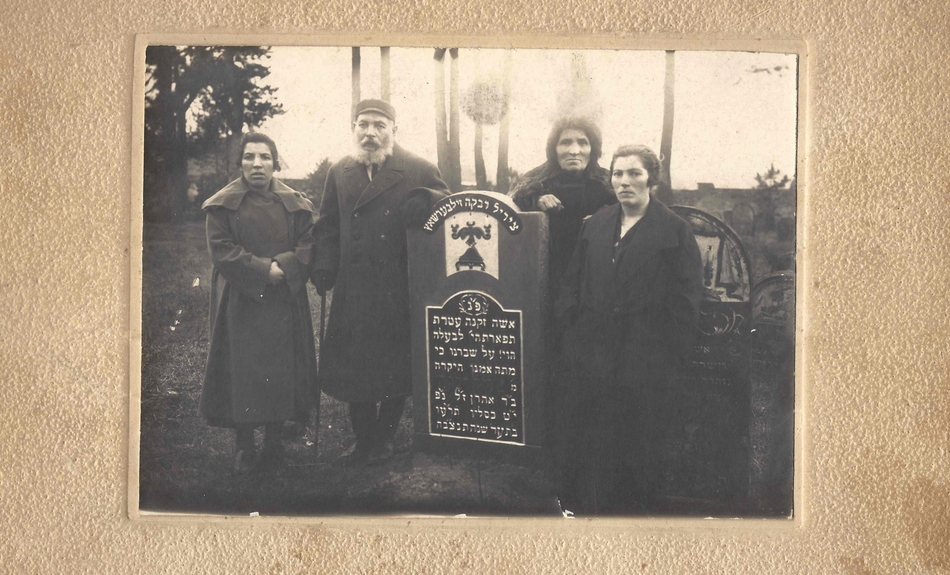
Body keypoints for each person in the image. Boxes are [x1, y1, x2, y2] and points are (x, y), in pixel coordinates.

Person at [553, 144, 704, 514]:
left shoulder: (675, 231)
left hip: (645, 358)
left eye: (634, 173)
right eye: (618, 174)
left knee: (638, 438)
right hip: (594, 353)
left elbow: (687, 302)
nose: (624, 182)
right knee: (593, 433)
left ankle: (634, 513)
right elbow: (571, 282)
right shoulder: (598, 224)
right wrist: (574, 331)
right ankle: (589, 505)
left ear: (651, 178)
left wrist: (668, 356)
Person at [312, 99, 449, 465]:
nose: (370, 133)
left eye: (379, 125)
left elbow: (448, 203)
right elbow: (327, 223)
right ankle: (363, 436)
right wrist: (323, 264)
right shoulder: (340, 171)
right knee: (355, 363)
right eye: (363, 125)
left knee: (394, 362)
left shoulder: (418, 168)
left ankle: (385, 436)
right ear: (353, 128)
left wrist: (426, 198)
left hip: (397, 284)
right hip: (353, 285)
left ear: (394, 130)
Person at [199, 132, 319, 474]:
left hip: (284, 302)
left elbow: (308, 244)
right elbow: (221, 249)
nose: (257, 164)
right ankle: (245, 445)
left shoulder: (296, 204)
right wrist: (263, 270)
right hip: (241, 300)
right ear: (240, 164)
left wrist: (287, 267)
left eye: (264, 157)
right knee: (244, 370)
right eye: (249, 157)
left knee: (280, 369)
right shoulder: (222, 205)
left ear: (275, 162)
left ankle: (274, 443)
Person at [508, 116, 616, 294]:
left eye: (583, 143)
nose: (574, 150)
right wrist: (534, 200)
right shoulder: (536, 180)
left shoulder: (608, 181)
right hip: (547, 278)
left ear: (593, 149)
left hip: (595, 280)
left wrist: (606, 216)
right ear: (554, 149)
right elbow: (510, 207)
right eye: (565, 142)